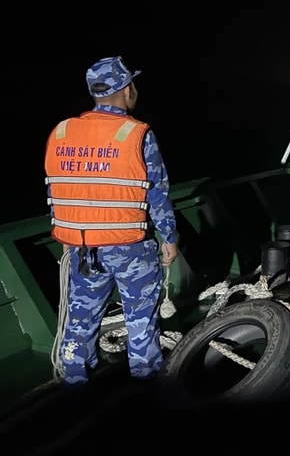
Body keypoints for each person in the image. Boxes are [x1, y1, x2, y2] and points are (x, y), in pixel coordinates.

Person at [44, 55, 180, 385]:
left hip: (81, 247)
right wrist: (169, 238)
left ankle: (75, 384)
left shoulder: (62, 132)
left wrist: (68, 233)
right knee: (139, 323)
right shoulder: (136, 134)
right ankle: (145, 389)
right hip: (129, 248)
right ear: (126, 89)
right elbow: (156, 193)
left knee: (80, 320)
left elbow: (57, 186)